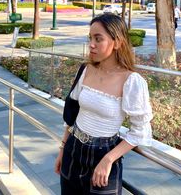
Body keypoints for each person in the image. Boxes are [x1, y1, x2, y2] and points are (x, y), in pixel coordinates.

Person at [54, 13, 153, 195]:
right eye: (90, 38)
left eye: (98, 39)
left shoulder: (131, 81)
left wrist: (109, 159)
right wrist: (62, 148)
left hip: (102, 157)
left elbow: (141, 130)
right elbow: (72, 113)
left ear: (117, 42)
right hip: (73, 150)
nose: (91, 44)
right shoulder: (85, 69)